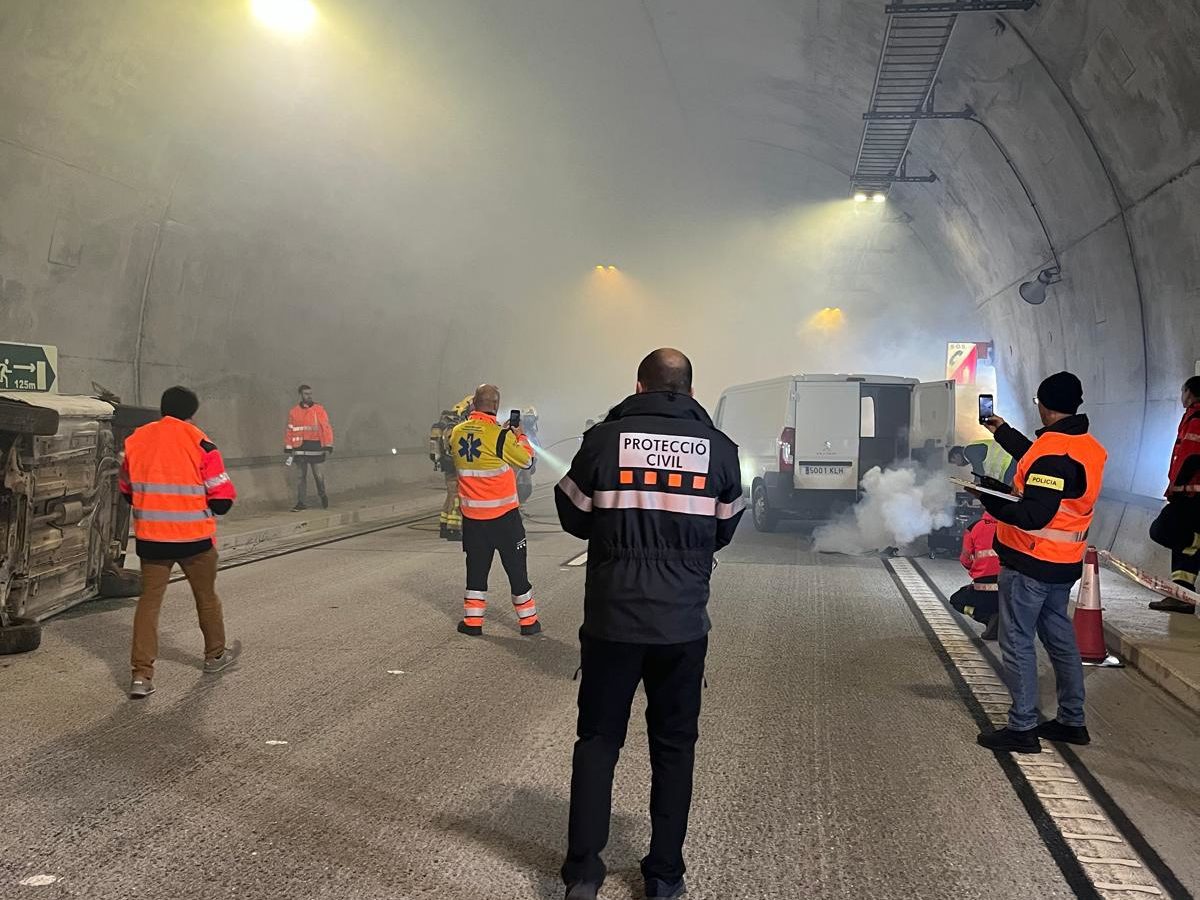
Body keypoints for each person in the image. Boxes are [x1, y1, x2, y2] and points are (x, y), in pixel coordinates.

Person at [555, 348, 744, 900]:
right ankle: (664, 876)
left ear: (639, 386)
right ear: (688, 390)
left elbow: (573, 515)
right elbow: (723, 528)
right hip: (681, 626)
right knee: (674, 747)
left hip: (613, 619)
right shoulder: (720, 450)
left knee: (597, 741)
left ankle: (584, 873)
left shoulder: (603, 440)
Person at [971, 371, 1107, 754]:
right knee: (1061, 640)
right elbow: (1043, 465)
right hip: (1064, 563)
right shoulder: (1085, 446)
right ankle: (1071, 720)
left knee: (1016, 641)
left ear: (1044, 406)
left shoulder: (1053, 454)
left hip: (1031, 561)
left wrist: (990, 498)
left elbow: (1035, 514)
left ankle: (1022, 728)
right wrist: (1003, 431)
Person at [119, 386, 238, 699]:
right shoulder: (201, 441)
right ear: (191, 412)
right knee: (206, 597)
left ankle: (141, 676)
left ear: (162, 409)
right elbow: (223, 499)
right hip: (195, 540)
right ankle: (214, 656)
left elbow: (126, 489)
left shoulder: (135, 440)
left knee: (149, 604)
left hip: (152, 540)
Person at [450, 384, 540, 635]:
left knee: (476, 570)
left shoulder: (456, 433)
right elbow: (527, 461)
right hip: (504, 518)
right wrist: (520, 436)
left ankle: (473, 622)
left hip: (472, 518)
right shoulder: (500, 436)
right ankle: (528, 622)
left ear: (472, 405)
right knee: (516, 570)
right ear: (496, 406)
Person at [949, 512, 1001, 640]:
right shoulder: (1013, 525)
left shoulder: (974, 527)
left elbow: (965, 559)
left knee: (956, 600)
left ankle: (986, 618)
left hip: (983, 588)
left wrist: (978, 569)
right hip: (1009, 587)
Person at [284, 384, 334, 511]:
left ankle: (322, 495)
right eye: (306, 394)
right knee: (301, 477)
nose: (309, 396)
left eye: (310, 393)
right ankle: (301, 503)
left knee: (318, 475)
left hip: (316, 447)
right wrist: (288, 446)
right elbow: (290, 430)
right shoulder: (294, 412)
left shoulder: (319, 409)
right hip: (300, 448)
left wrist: (328, 444)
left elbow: (326, 427)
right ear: (301, 395)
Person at [430, 396, 472, 539]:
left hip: (447, 465)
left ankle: (444, 525)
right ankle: (454, 529)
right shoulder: (456, 427)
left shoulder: (445, 425)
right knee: (456, 497)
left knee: (450, 495)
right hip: (455, 465)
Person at [949, 439, 1016, 486]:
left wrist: (975, 484)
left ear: (956, 455)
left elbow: (978, 470)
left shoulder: (968, 451)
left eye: (954, 461)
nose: (957, 465)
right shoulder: (971, 449)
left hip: (1009, 461)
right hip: (1008, 463)